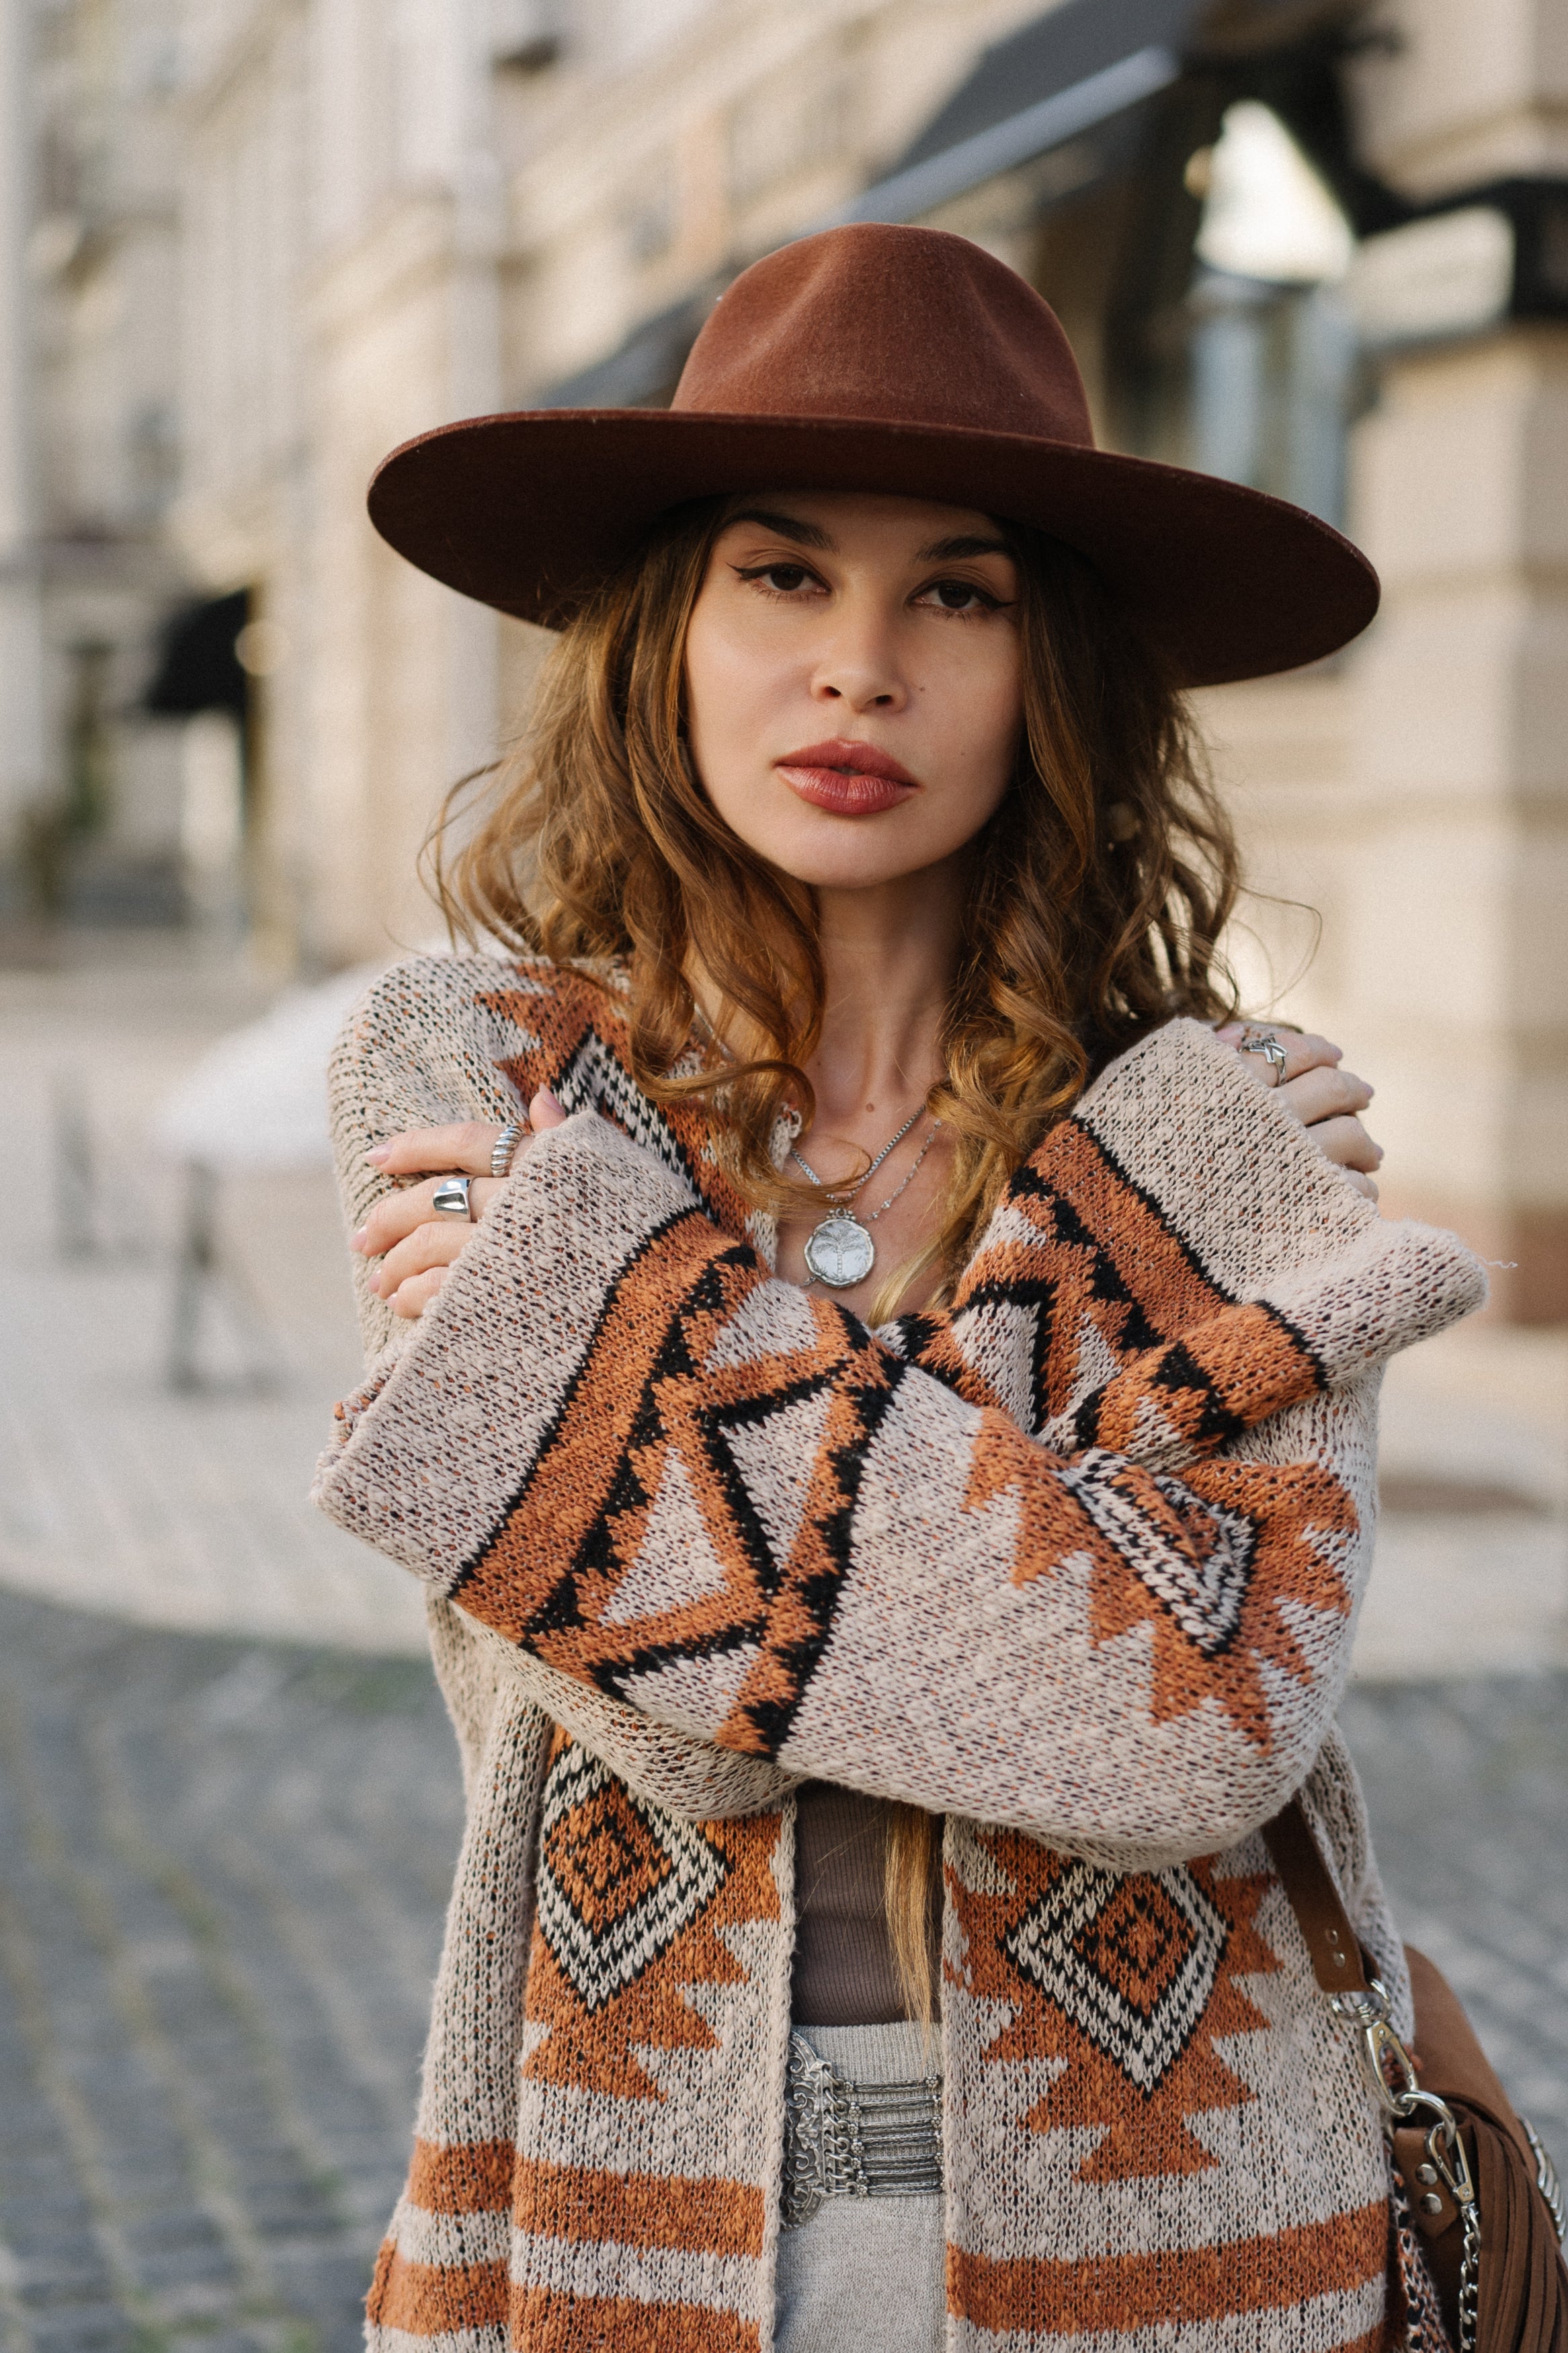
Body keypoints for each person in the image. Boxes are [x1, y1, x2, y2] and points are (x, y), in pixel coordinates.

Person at [314, 225, 1485, 2353]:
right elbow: (659, 1747)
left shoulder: (1227, 1131)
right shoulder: (478, 1072)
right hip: (617, 2184)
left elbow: (1190, 1727)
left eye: (958, 591)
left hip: (1199, 2219)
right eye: (784, 576)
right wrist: (1009, 1512)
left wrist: (594, 1348)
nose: (861, 665)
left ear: (1058, 673)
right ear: (665, 630)